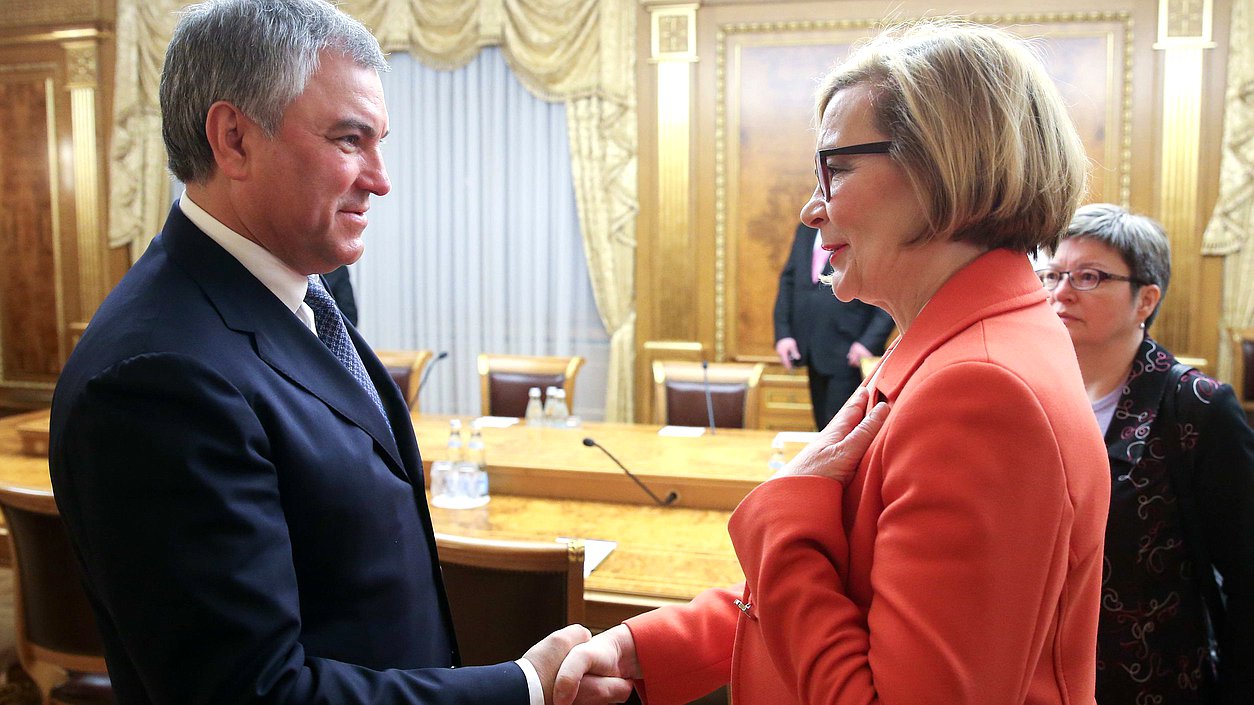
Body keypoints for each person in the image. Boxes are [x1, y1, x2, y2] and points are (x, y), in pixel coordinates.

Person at [47, 1, 628, 703]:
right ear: (233, 139)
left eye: (380, 142)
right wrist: (522, 688)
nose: (380, 179)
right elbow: (255, 692)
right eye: (350, 140)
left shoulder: (301, 291)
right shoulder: (156, 377)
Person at [553, 20, 1111, 705]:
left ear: (941, 167)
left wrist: (779, 519)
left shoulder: (981, 389)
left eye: (836, 168)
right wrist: (650, 646)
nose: (811, 208)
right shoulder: (954, 341)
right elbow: (854, 590)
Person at [1040, 203, 1254, 705]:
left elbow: (1246, 574)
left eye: (1089, 276)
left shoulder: (1197, 406)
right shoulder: (1029, 393)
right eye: (1050, 274)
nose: (1060, 292)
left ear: (1145, 300)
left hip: (1153, 678)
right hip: (1040, 677)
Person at [774, 222, 895, 428]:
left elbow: (887, 288)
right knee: (822, 429)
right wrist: (783, 333)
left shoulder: (863, 228)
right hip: (810, 348)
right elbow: (789, 280)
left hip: (849, 353)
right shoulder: (805, 230)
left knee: (843, 432)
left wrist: (869, 342)